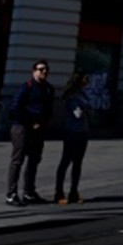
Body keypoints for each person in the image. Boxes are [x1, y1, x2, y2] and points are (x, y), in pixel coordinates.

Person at [6, 61, 55, 206]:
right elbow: (14, 109)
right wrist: (30, 122)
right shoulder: (25, 88)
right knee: (18, 160)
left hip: (38, 129)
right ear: (33, 71)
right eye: (40, 69)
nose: (44, 72)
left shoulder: (48, 89)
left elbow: (48, 110)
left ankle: (29, 192)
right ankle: (11, 194)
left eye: (46, 69)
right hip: (22, 128)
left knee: (34, 160)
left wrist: (43, 123)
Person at [53, 70, 92, 204]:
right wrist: (87, 110)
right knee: (66, 161)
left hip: (82, 131)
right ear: (79, 80)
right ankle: (58, 192)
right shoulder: (72, 96)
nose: (87, 82)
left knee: (78, 162)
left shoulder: (82, 94)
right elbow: (78, 114)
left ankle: (74, 191)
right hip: (72, 131)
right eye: (85, 79)